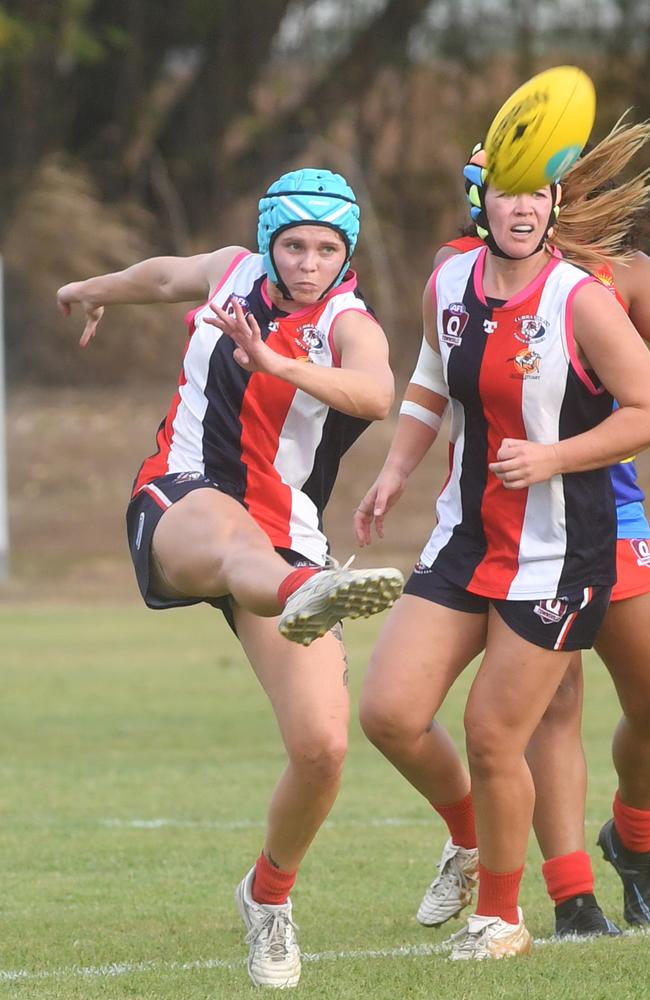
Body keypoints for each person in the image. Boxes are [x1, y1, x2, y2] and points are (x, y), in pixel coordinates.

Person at [57, 167, 404, 989]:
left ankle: (267, 897)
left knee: (321, 748)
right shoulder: (231, 272)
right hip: (178, 498)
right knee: (229, 534)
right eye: (294, 245)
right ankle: (300, 595)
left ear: (344, 252)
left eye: (326, 248)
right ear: (267, 243)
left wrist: (278, 364)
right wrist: (87, 287)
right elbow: (160, 275)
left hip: (290, 539)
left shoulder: (351, 325)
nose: (309, 262)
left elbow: (377, 393)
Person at [353, 135, 650, 960]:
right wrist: (395, 472)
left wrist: (553, 456)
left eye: (538, 194)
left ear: (556, 204)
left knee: (494, 731)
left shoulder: (579, 297)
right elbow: (429, 380)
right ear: (478, 200)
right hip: (464, 536)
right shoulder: (448, 279)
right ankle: (474, 835)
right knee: (390, 713)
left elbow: (645, 406)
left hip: (560, 552)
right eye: (507, 193)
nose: (522, 207)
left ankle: (503, 918)